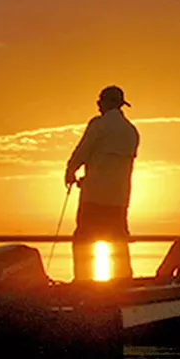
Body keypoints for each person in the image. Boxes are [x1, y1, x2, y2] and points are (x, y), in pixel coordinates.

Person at [66, 85, 140, 281]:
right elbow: (114, 167)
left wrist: (70, 170)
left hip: (94, 198)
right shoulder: (131, 132)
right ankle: (124, 284)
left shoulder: (98, 125)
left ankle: (84, 283)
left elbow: (82, 151)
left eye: (99, 103)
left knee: (83, 241)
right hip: (120, 200)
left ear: (106, 103)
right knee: (118, 244)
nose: (98, 106)